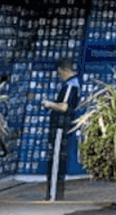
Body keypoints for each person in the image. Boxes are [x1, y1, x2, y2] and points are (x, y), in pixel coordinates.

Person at [43, 59, 79, 200]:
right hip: (63, 128)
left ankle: (53, 194)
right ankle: (55, 193)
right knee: (58, 160)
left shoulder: (70, 86)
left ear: (64, 71)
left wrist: (49, 104)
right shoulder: (74, 85)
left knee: (56, 161)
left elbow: (64, 107)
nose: (60, 76)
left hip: (60, 128)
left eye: (60, 73)